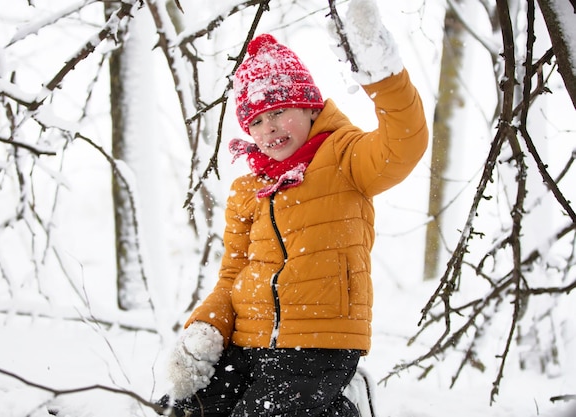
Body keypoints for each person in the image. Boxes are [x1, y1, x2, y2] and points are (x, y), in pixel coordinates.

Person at [157, 0, 428, 416]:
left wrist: (383, 74)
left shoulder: (345, 158)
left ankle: (342, 404)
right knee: (187, 408)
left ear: (308, 107)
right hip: (248, 339)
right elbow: (232, 274)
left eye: (279, 112)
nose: (270, 129)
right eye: (258, 122)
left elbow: (404, 142)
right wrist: (206, 328)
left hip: (320, 342)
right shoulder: (249, 188)